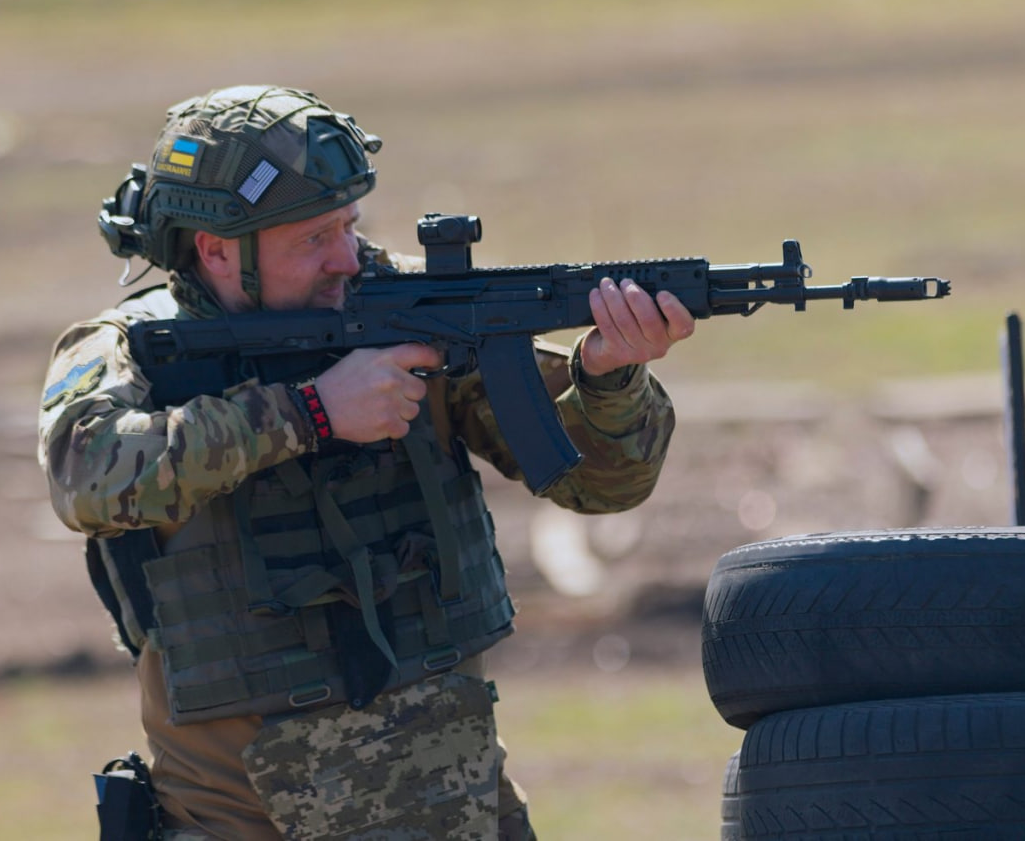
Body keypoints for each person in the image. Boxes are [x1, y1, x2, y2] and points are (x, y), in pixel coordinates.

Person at [38, 84, 694, 840]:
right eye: (311, 239)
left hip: (451, 807)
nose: (346, 257)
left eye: (349, 225)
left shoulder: (413, 308)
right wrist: (308, 413)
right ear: (216, 250)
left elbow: (602, 483)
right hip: (240, 819)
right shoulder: (129, 348)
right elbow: (84, 474)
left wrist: (609, 378)